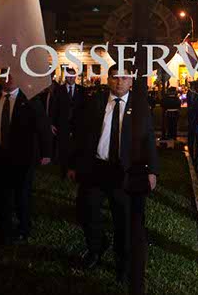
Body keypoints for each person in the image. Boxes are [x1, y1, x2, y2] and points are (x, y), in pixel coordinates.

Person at [68, 64, 159, 282]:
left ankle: (122, 264)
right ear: (108, 79)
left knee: (123, 220)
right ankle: (96, 248)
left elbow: (148, 138)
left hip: (124, 172)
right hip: (96, 168)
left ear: (131, 81)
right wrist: (73, 164)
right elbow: (80, 135)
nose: (119, 82)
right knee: (86, 211)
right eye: (115, 77)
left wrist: (153, 170)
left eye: (124, 78)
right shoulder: (95, 102)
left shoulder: (139, 107)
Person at [0, 69, 51, 244]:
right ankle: (4, 228)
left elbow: (43, 128)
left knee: (21, 195)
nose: (8, 79)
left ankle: (23, 228)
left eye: (12, 75)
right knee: (1, 194)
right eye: (5, 76)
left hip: (22, 157)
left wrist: (46, 153)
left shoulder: (31, 101)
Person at [40, 78, 70, 178]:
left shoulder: (57, 97)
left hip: (56, 124)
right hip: (45, 123)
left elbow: (58, 111)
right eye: (48, 85)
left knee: (56, 142)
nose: (50, 87)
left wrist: (52, 123)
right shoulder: (44, 95)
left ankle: (55, 159)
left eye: (51, 86)